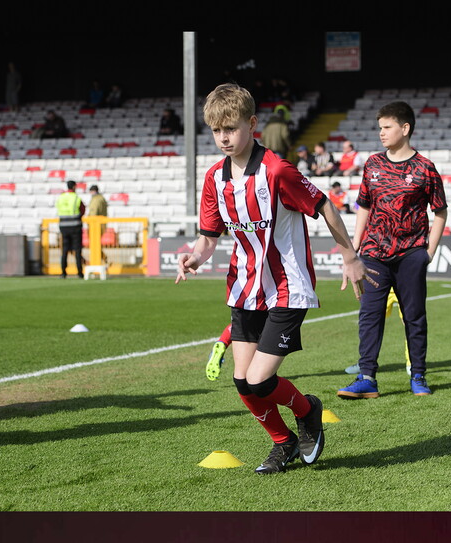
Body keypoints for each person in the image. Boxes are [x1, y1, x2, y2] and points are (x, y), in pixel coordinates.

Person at [175, 83, 378, 474]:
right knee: (242, 382)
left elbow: (326, 207)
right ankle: (283, 443)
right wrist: (194, 258)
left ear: (252, 125)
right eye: (217, 130)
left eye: (230, 128)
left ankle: (308, 410)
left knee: (260, 379)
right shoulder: (215, 179)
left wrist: (350, 255)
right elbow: (208, 238)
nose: (223, 138)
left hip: (289, 287)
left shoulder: (277, 170)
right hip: (245, 289)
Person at [337, 101, 448, 399]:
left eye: (387, 127)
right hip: (374, 253)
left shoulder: (425, 168)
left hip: (411, 253)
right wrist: (355, 246)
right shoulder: (372, 164)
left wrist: (428, 252)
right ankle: (367, 377)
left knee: (414, 316)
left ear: (405, 128)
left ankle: (419, 376)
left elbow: (440, 212)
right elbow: (364, 206)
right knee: (369, 314)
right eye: (380, 128)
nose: (382, 133)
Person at [343, 288, 410, 375]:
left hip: (404, 285)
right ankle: (365, 363)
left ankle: (412, 363)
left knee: (409, 324)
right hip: (380, 285)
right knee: (370, 323)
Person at [56, 180, 85, 279]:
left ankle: (63, 273)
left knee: (64, 250)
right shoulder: (76, 197)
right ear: (74, 187)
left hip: (63, 226)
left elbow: (58, 209)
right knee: (77, 250)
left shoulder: (61, 197)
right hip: (75, 227)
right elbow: (82, 210)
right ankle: (79, 272)